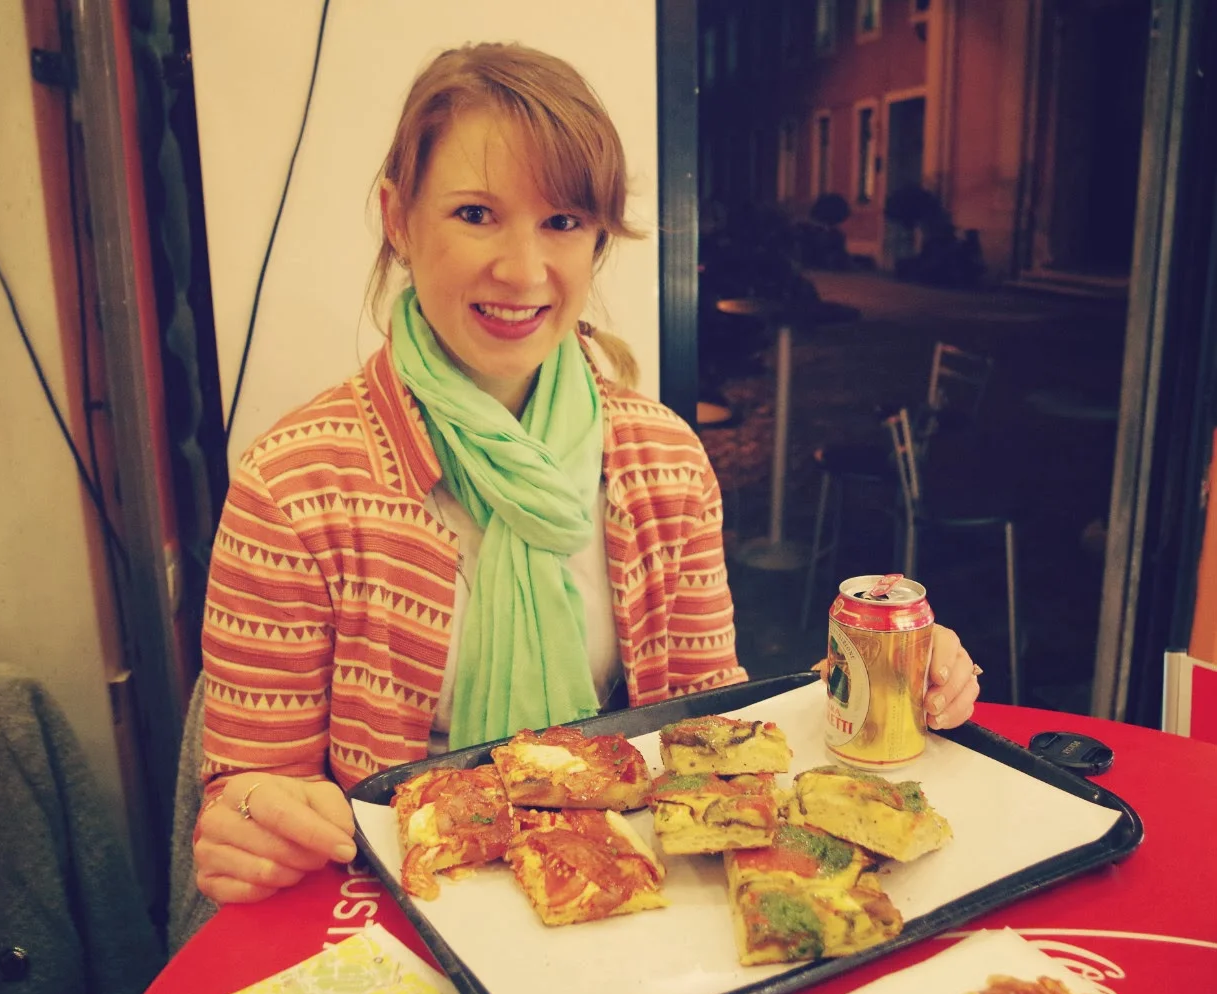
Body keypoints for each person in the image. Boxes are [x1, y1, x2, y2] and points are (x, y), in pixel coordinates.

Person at [192, 42, 981, 908]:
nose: (523, 270)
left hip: (620, 890)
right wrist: (250, 817)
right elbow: (255, 782)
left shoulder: (661, 459)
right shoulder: (291, 488)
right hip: (406, 900)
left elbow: (708, 726)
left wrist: (874, 684)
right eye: (475, 213)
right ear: (397, 219)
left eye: (562, 221)